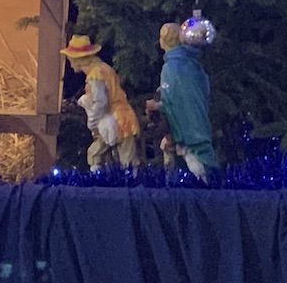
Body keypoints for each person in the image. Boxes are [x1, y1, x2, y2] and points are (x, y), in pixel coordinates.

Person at [62, 34, 140, 170]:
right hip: (117, 118)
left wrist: (92, 122)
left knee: (121, 158)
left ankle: (112, 179)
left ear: (78, 60)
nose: (70, 64)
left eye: (70, 60)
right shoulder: (102, 68)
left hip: (117, 119)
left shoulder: (95, 75)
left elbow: (101, 102)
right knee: (105, 155)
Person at [154, 21, 220, 178]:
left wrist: (157, 106)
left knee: (196, 165)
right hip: (197, 120)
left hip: (187, 129)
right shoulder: (191, 63)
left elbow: (172, 99)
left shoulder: (171, 68)